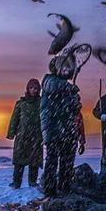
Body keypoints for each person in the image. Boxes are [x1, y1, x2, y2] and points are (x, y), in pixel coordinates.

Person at [40, 56, 81, 197]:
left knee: (67, 161)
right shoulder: (49, 80)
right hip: (54, 129)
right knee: (52, 161)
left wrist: (76, 102)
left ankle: (65, 188)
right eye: (63, 67)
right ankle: (50, 191)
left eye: (68, 68)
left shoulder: (67, 87)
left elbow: (74, 110)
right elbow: (54, 86)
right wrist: (70, 88)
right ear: (56, 68)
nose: (65, 70)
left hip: (68, 130)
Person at [6, 78, 43, 188]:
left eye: (36, 88)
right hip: (22, 135)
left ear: (39, 89)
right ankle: (16, 182)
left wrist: (46, 135)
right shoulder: (20, 103)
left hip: (36, 136)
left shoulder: (42, 103)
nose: (33, 90)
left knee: (34, 161)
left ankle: (32, 182)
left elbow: (46, 119)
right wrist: (11, 133)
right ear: (27, 89)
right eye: (31, 88)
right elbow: (14, 119)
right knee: (19, 161)